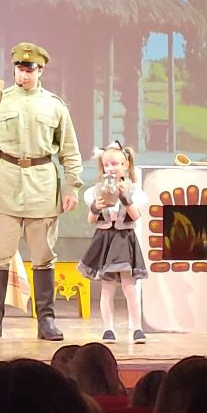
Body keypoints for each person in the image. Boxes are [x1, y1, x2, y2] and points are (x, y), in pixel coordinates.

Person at [0, 42, 82, 341]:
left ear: (40, 70)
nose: (24, 74)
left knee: (43, 256)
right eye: (20, 68)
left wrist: (71, 186)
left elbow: (70, 151)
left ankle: (46, 320)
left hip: (42, 186)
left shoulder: (55, 105)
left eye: (29, 70)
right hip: (4, 185)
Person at [78, 140, 148, 343]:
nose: (110, 168)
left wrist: (124, 197)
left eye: (115, 164)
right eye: (107, 164)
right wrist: (96, 208)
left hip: (124, 240)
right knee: (107, 286)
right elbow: (91, 220)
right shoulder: (95, 191)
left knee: (128, 286)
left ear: (126, 164)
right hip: (105, 240)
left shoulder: (134, 191)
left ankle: (137, 328)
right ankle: (108, 329)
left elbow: (135, 216)